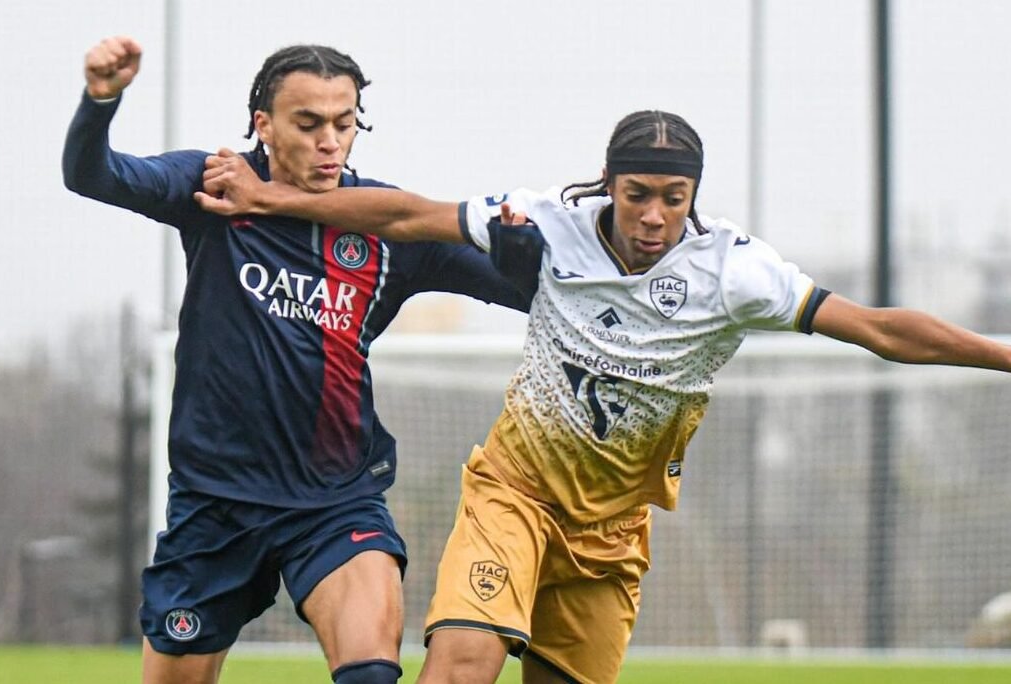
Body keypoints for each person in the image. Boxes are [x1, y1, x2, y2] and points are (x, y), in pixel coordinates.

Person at [195, 109, 1011, 684]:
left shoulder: (735, 273)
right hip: (511, 498)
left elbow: (876, 328)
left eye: (672, 198)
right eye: (637, 194)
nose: (652, 216)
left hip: (609, 537)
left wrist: (1000, 355)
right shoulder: (549, 222)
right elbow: (408, 216)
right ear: (609, 185)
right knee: (461, 667)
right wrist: (275, 198)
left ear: (692, 198)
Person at [62, 36, 532, 684]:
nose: (329, 142)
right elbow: (96, 175)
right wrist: (101, 100)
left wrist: (534, 249)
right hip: (214, 504)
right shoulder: (212, 187)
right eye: (308, 124)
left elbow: (523, 292)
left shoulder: (385, 225)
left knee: (371, 673)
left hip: (333, 503)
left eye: (344, 124)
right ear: (264, 123)